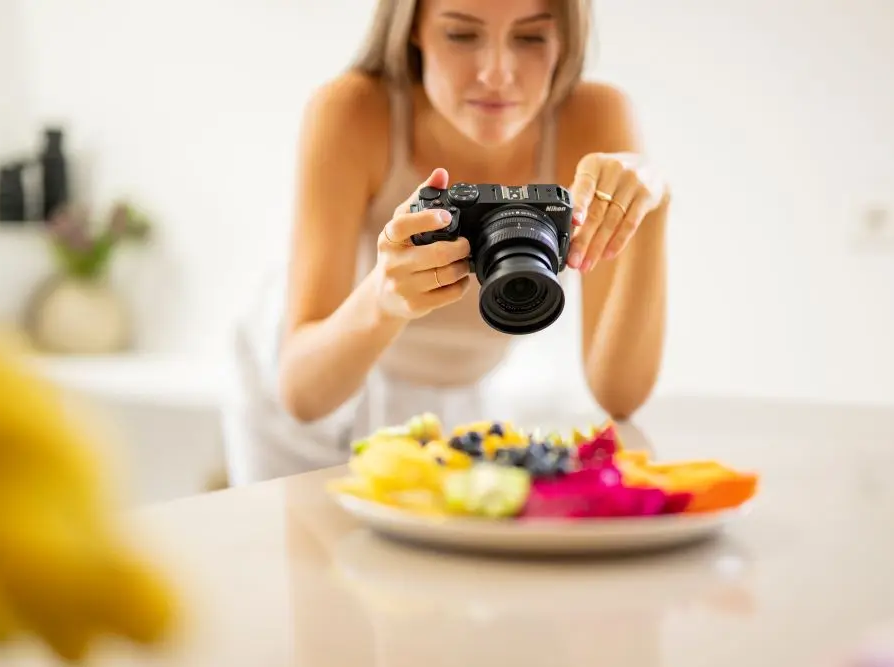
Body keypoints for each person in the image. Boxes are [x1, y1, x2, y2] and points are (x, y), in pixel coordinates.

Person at [221, 0, 670, 486]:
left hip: (462, 385)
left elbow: (618, 397)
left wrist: (653, 206)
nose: (497, 75)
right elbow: (302, 395)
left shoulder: (592, 119)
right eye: (461, 35)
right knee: (308, 558)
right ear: (413, 28)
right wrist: (384, 297)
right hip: (312, 372)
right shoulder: (353, 112)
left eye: (531, 38)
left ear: (566, 39)